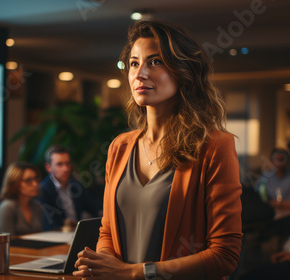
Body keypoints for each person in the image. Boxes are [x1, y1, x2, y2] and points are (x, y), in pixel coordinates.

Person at [73, 20, 242, 280]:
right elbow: (107, 232)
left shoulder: (214, 146)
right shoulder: (120, 146)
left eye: (155, 62)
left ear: (182, 70)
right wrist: (104, 264)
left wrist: (135, 273)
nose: (140, 74)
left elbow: (224, 255)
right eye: (134, 63)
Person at [39, 145, 102, 230]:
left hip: (77, 235)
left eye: (68, 163)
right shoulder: (42, 191)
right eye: (59, 164)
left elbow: (94, 207)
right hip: (57, 237)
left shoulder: (75, 185)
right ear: (48, 167)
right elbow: (49, 225)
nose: (66, 169)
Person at [0, 162, 43, 235]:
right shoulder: (7, 207)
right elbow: (7, 241)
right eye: (28, 180)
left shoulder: (36, 206)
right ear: (15, 183)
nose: (35, 184)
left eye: (36, 179)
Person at [254, 148, 290, 213]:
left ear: (287, 161)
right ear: (271, 161)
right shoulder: (265, 177)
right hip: (272, 213)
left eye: (281, 160)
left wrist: (289, 205)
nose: (279, 163)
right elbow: (257, 195)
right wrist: (270, 203)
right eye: (276, 160)